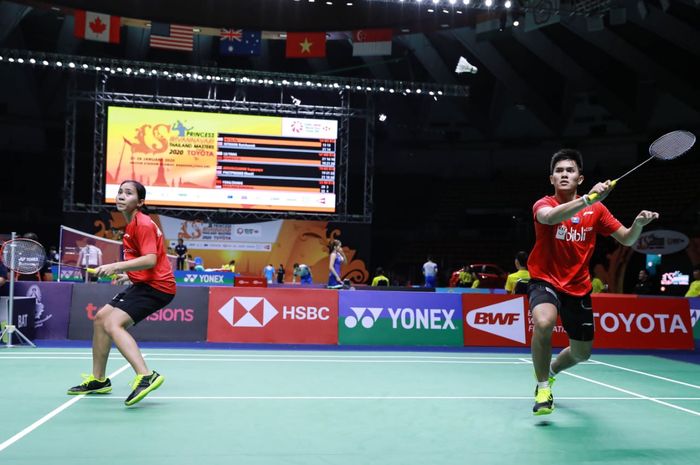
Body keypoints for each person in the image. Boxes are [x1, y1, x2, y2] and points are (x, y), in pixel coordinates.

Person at [528, 148, 658, 416]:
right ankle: (542, 388)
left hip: (578, 286)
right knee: (543, 322)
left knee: (581, 353)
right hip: (545, 279)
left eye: (570, 170)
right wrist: (588, 200)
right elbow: (550, 218)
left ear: (580, 177)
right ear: (551, 179)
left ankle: (551, 371)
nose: (564, 175)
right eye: (559, 171)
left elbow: (627, 239)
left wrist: (638, 225)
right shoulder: (544, 204)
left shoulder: (597, 210)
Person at [67, 180, 176, 407]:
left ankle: (146, 376)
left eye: (128, 193)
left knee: (113, 324)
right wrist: (130, 275)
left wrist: (116, 267)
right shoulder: (132, 225)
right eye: (120, 192)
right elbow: (147, 264)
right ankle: (99, 380)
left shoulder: (143, 224)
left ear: (141, 202)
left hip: (158, 288)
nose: (121, 196)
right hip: (146, 283)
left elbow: (150, 259)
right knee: (100, 319)